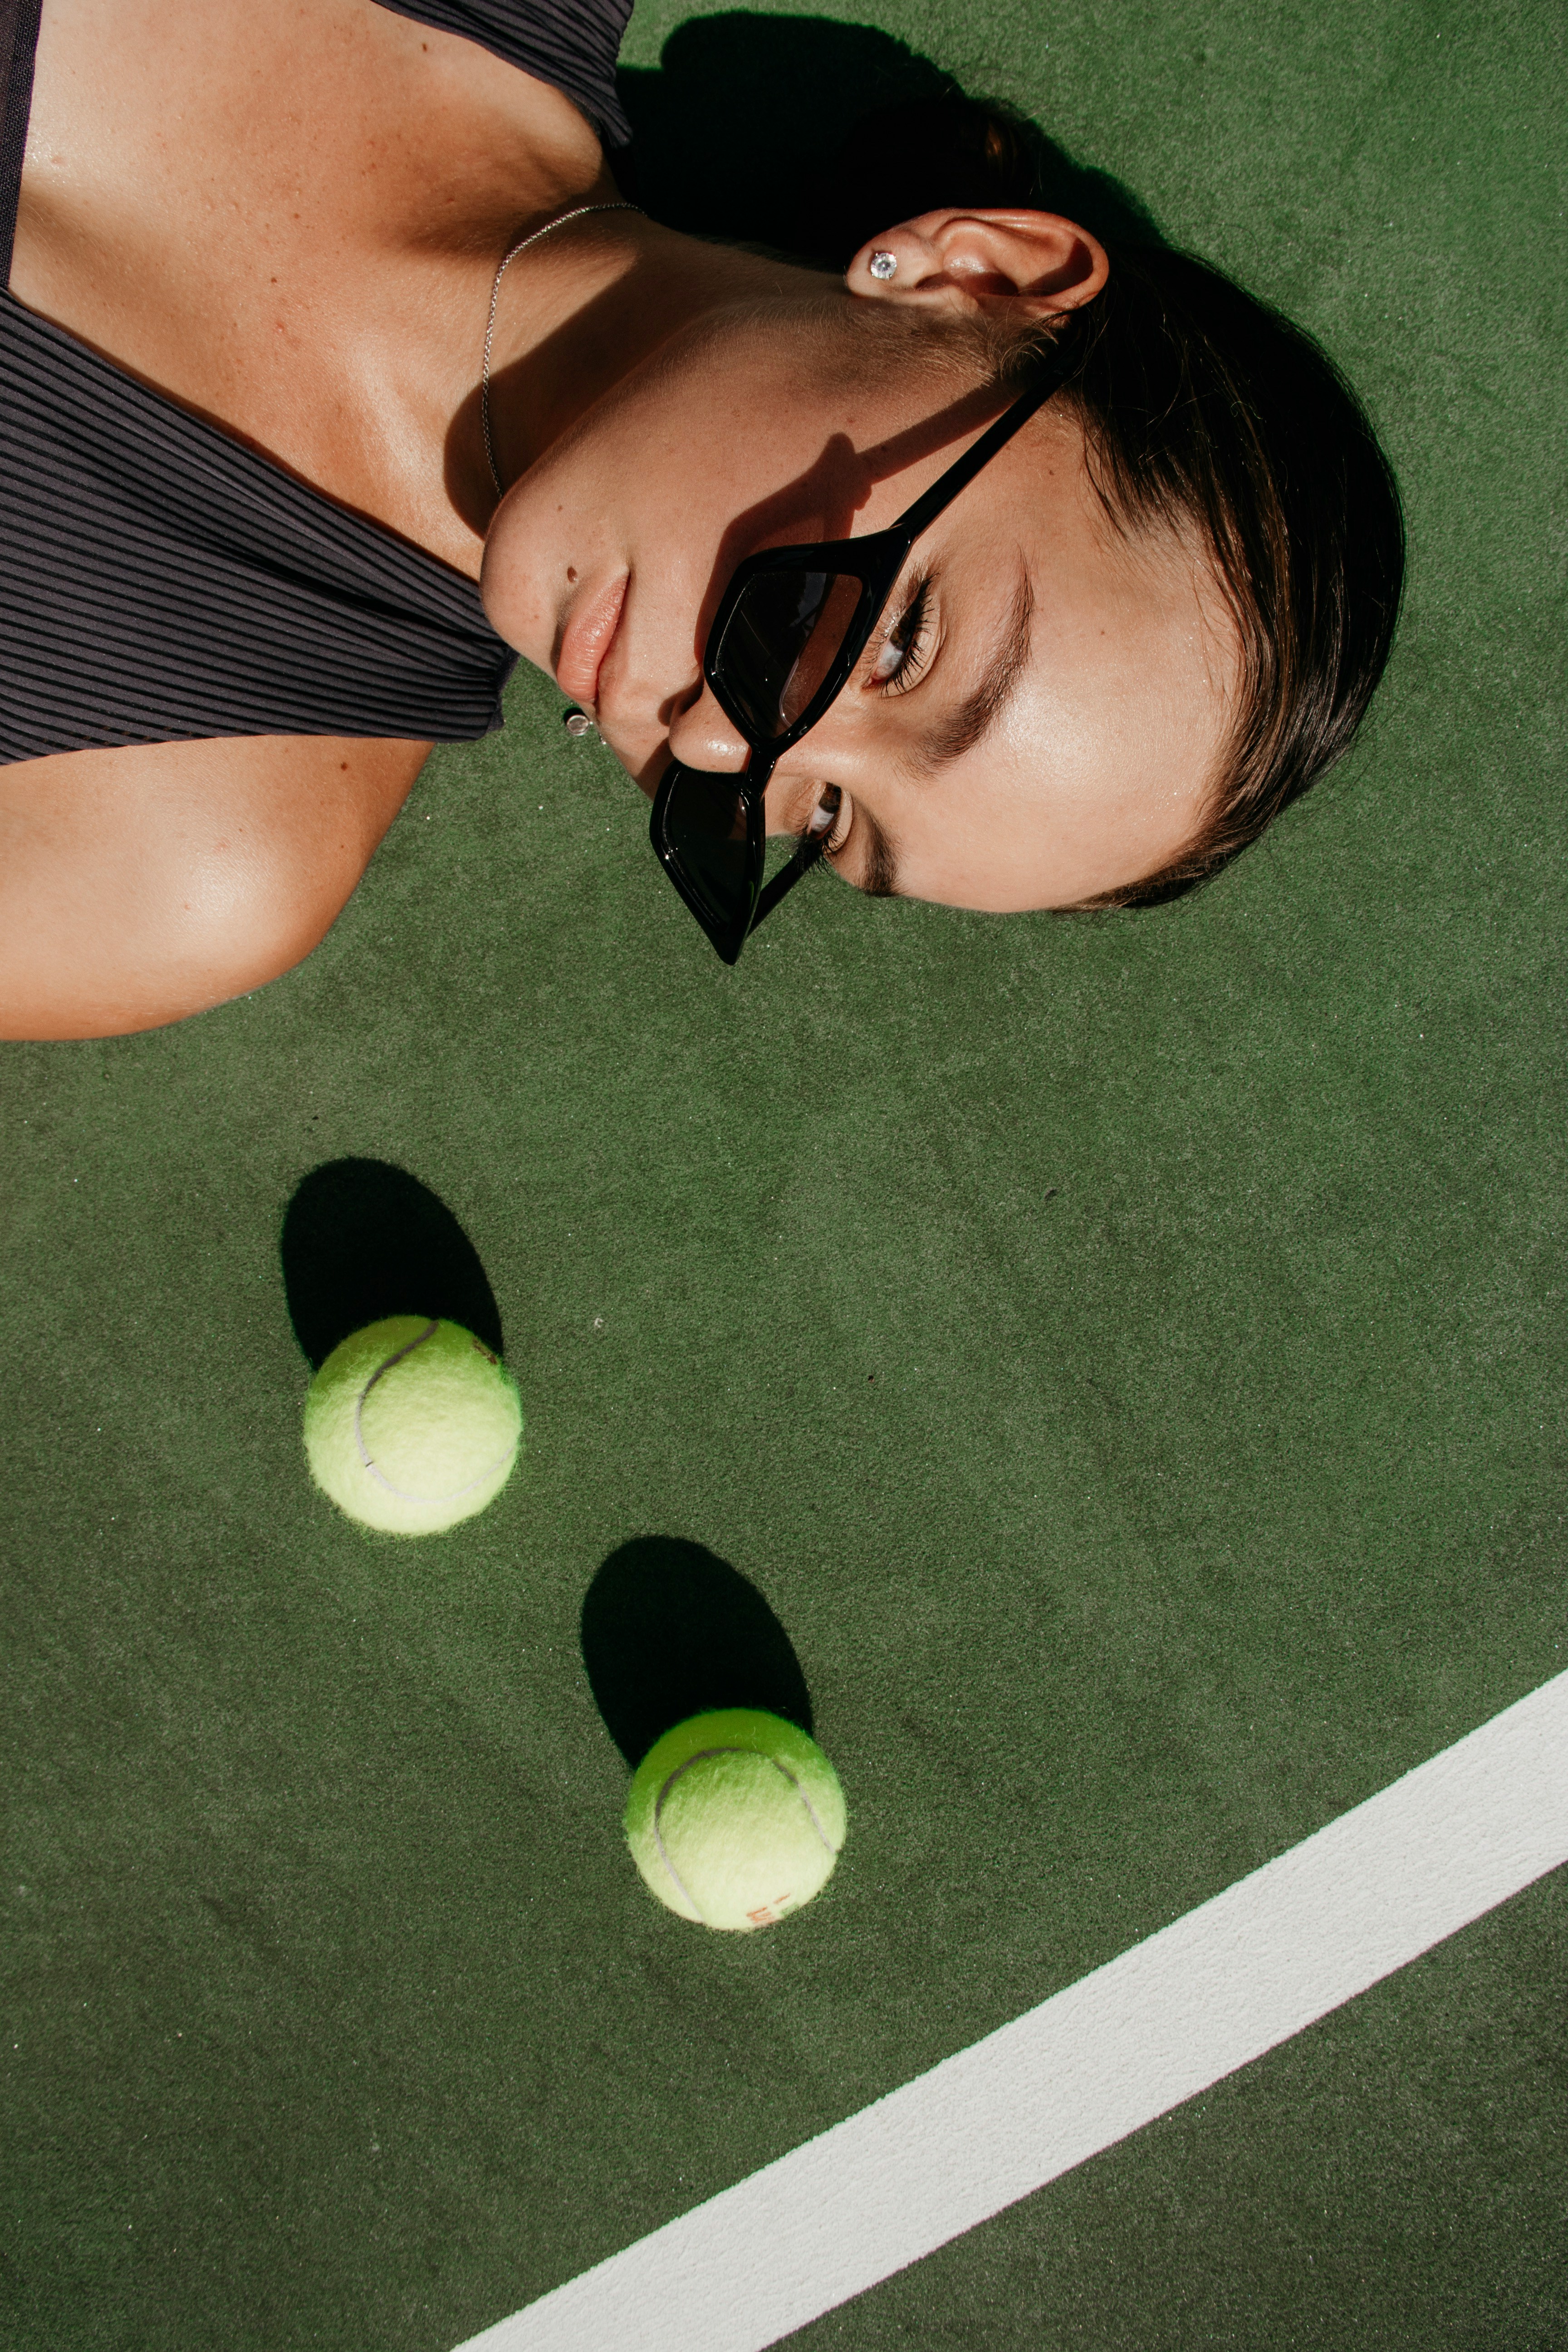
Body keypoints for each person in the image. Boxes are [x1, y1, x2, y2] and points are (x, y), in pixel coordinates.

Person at [0, 0, 1402, 1037]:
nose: (718, 743)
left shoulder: (178, 846)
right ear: (976, 278)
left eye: (824, 815)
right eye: (901, 641)